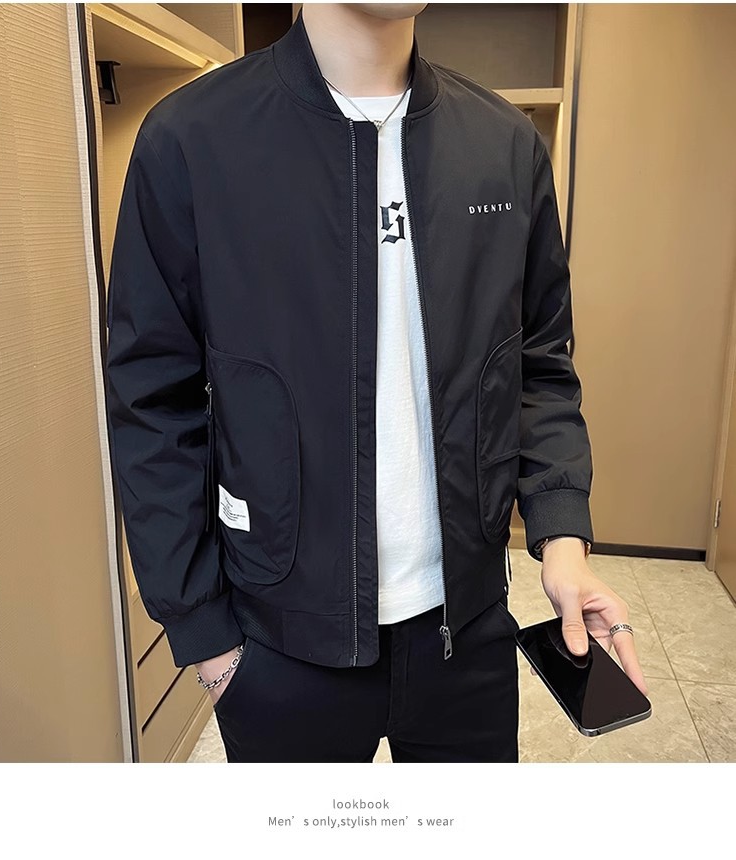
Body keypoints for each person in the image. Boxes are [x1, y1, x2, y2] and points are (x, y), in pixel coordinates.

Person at [104, 3, 647, 763]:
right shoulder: (191, 140)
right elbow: (151, 398)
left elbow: (538, 368)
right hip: (279, 648)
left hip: (468, 636)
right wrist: (208, 641)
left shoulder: (503, 143)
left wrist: (562, 542)